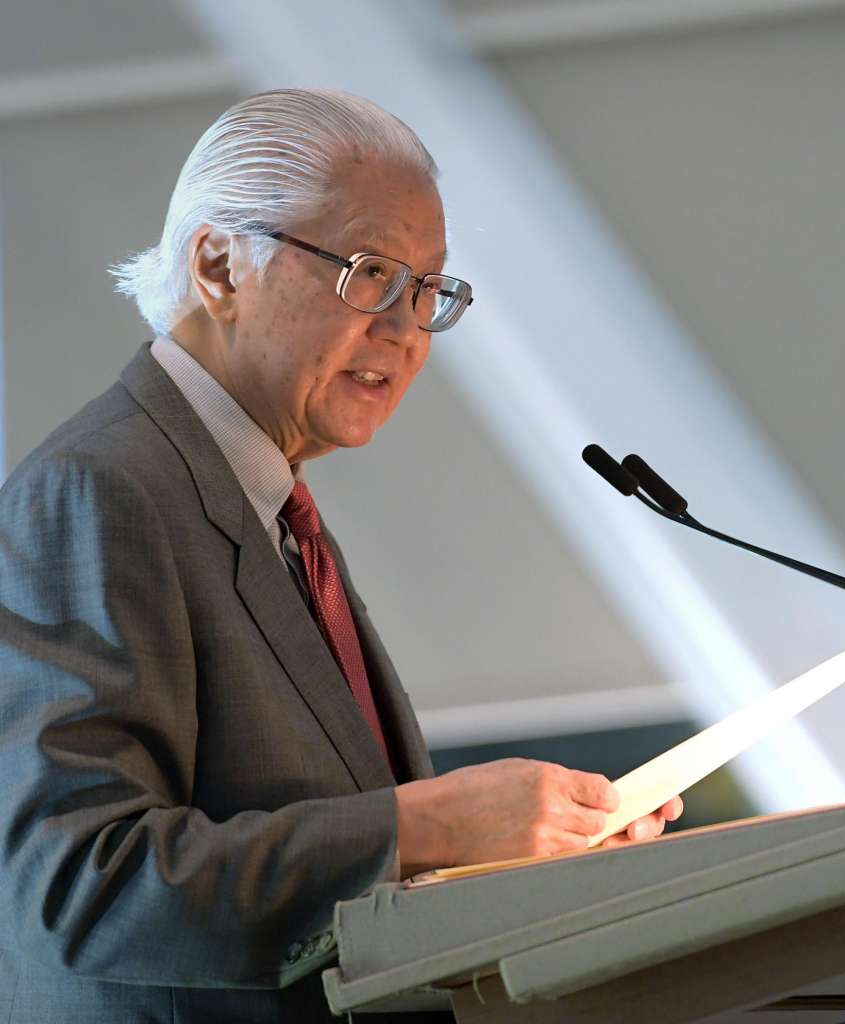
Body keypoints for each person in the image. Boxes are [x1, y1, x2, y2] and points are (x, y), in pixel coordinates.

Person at [0, 88, 682, 1023]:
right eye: (370, 274)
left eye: (428, 290)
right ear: (219, 266)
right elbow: (82, 884)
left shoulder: (267, 504)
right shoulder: (98, 490)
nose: (404, 331)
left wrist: (520, 855)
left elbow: (357, 896)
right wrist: (427, 824)